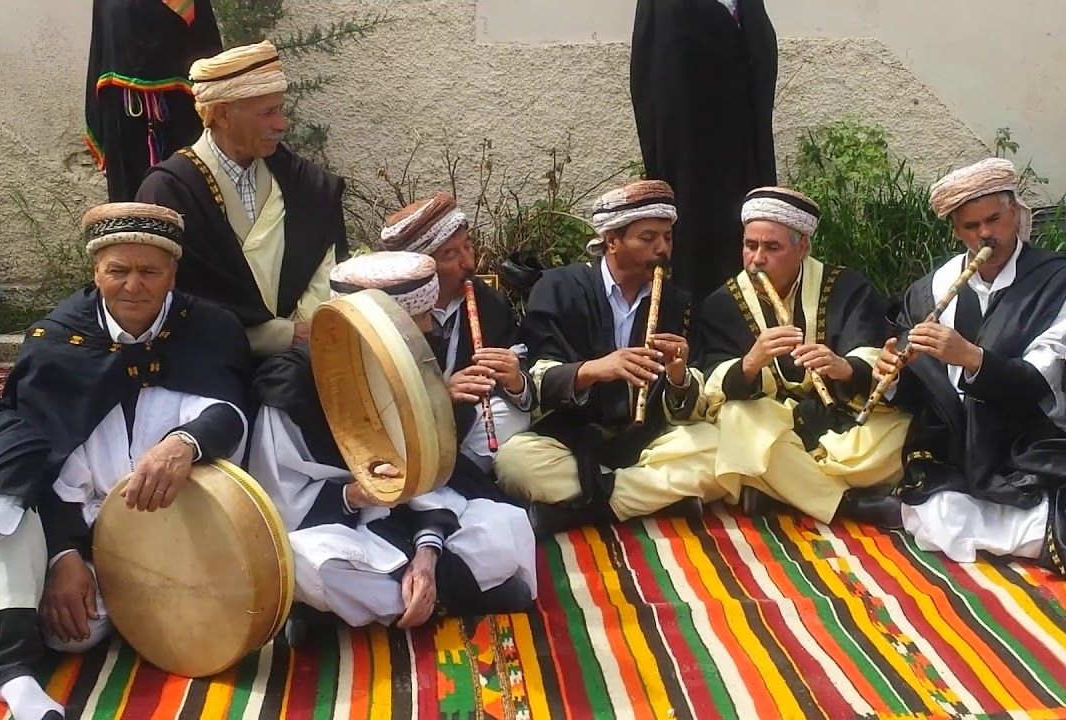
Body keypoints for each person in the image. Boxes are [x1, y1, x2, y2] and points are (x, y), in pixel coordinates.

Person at [0, 203, 251, 720]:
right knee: (71, 625)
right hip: (79, 524)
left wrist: (184, 443)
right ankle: (14, 674)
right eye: (118, 270)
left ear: (173, 274)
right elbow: (34, 458)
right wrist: (64, 556)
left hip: (179, 524)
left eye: (149, 271)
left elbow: (230, 410)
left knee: (222, 610)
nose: (133, 285)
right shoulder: (56, 342)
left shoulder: (209, 328)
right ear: (96, 272)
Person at [249, 251, 536, 643]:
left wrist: (427, 551)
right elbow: (281, 501)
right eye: (419, 317)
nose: (430, 325)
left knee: (506, 525)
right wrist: (357, 494)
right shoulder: (291, 385)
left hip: (418, 517)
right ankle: (454, 595)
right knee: (305, 563)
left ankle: (372, 607)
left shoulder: (408, 360)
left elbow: (432, 479)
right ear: (380, 328)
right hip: (339, 524)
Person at [872, 158, 1066, 574]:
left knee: (1055, 520)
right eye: (970, 226)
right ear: (956, 230)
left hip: (1027, 446)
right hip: (955, 445)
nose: (984, 234)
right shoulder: (933, 288)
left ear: (1014, 212)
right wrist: (894, 376)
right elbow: (924, 394)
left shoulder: (1063, 284)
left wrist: (970, 357)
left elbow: (1040, 382)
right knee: (938, 514)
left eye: (993, 220)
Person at [493, 180, 724, 536]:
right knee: (515, 463)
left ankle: (585, 508)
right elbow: (535, 381)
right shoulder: (558, 287)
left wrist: (678, 376)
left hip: (645, 441)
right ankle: (651, 497)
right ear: (612, 241)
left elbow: (686, 406)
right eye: (648, 238)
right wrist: (594, 370)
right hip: (571, 439)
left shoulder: (677, 302)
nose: (662, 249)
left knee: (720, 449)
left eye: (667, 237)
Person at [693, 187, 909, 527]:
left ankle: (777, 489)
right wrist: (751, 362)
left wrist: (842, 368)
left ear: (803, 247)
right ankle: (846, 504)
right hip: (772, 425)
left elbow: (873, 356)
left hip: (837, 420)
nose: (757, 258)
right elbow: (711, 383)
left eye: (772, 247)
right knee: (736, 421)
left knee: (905, 429)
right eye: (750, 245)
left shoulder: (847, 287)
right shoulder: (722, 303)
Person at [135, 41, 348, 358]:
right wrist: (279, 336)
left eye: (279, 109)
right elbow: (170, 297)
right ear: (222, 114)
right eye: (267, 112)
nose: (281, 124)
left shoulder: (301, 181)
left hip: (308, 358)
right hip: (209, 365)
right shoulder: (169, 192)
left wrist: (307, 330)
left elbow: (328, 262)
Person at [630, 0, 778, 304]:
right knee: (694, 236)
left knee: (743, 230)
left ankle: (747, 313)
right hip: (687, 145)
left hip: (738, 140)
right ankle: (695, 316)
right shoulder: (665, 9)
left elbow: (760, 49)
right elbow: (650, 73)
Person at [376, 192, 532, 473]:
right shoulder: (390, 316)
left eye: (468, 246)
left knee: (511, 417)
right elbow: (377, 403)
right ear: (421, 268)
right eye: (450, 254)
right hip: (404, 439)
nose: (469, 263)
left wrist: (516, 382)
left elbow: (519, 379)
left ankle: (455, 475)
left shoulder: (489, 303)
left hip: (466, 427)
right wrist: (440, 396)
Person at [84, 0, 223, 201]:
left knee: (189, 191)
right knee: (131, 198)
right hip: (125, 109)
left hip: (183, 108)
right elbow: (103, 44)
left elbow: (205, 46)